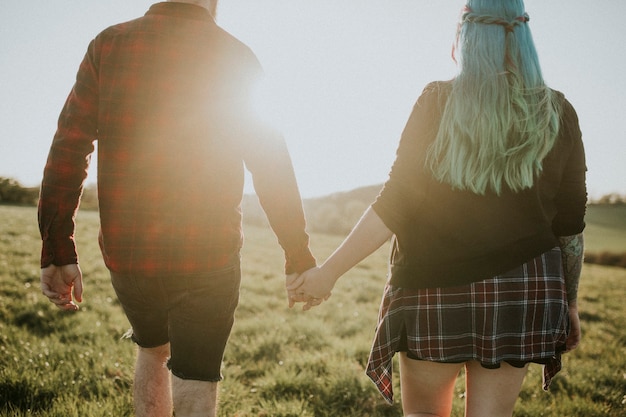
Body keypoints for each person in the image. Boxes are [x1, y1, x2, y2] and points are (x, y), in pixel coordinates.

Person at [289, 1, 586, 416]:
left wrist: (328, 273)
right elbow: (570, 228)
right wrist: (569, 302)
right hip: (525, 291)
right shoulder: (559, 113)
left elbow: (396, 200)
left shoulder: (436, 102)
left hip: (433, 284)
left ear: (466, 34)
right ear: (523, 34)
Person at [38, 1, 316, 416]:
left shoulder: (109, 45)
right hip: (208, 255)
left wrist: (57, 246)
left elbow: (69, 145)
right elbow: (271, 164)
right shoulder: (234, 55)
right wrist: (297, 253)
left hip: (128, 252)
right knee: (196, 376)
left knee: (151, 351)